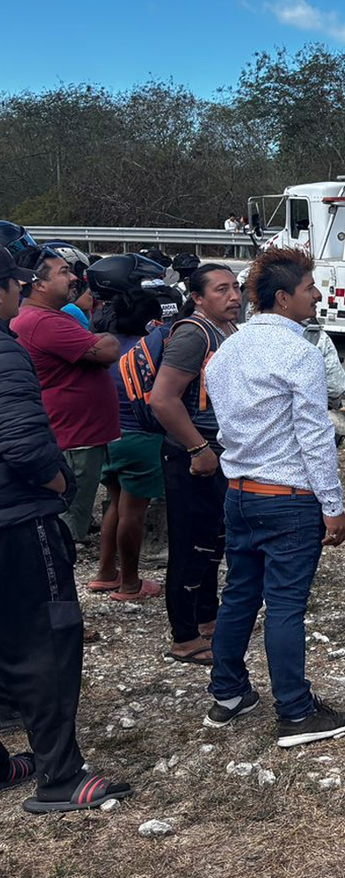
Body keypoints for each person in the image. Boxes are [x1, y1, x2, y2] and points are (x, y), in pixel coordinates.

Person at [202, 246, 345, 747]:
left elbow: (224, 420)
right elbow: (314, 435)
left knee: (240, 595)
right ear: (285, 297)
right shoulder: (300, 353)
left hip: (239, 493)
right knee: (286, 605)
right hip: (288, 498)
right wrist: (332, 507)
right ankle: (294, 711)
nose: (317, 295)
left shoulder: (227, 349)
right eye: (310, 288)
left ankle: (227, 692)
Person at [0, 247, 133, 813]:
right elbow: (23, 440)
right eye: (18, 282)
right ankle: (60, 774)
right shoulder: (8, 347)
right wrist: (56, 481)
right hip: (17, 517)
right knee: (48, 638)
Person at [149, 263, 240, 665]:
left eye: (236, 288)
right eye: (221, 290)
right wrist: (197, 448)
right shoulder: (193, 334)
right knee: (189, 544)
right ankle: (183, 636)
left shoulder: (227, 331)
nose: (234, 296)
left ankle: (207, 618)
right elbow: (162, 399)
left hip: (215, 451)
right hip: (191, 454)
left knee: (212, 539)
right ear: (199, 298)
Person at [11, 247, 121, 546]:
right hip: (74, 440)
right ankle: (58, 583)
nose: (73, 277)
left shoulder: (46, 318)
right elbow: (109, 350)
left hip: (75, 435)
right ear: (38, 283)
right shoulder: (45, 322)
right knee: (68, 525)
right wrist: (104, 338)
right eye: (63, 272)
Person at [86, 288, 167, 602]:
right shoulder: (149, 351)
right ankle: (130, 583)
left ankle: (106, 573)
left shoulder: (105, 347)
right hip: (141, 438)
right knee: (133, 512)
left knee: (115, 504)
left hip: (107, 435)